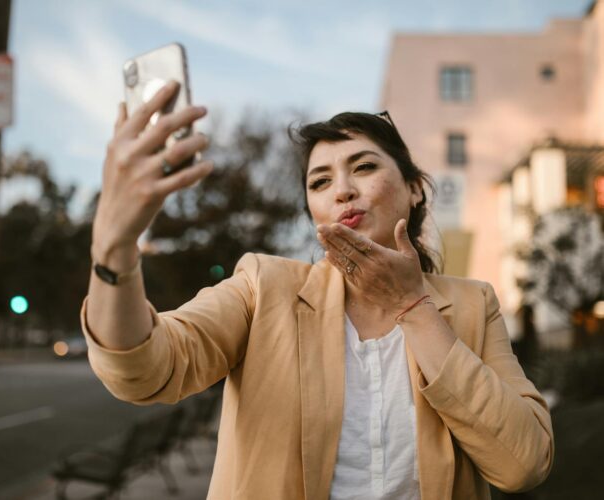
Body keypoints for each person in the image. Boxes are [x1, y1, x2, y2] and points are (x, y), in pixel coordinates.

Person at [82, 80, 553, 500]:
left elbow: (523, 464)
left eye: (363, 167)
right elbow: (142, 369)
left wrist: (413, 306)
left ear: (413, 188)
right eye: (320, 181)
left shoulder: (475, 303)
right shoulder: (263, 287)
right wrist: (115, 248)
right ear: (313, 212)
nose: (341, 190)